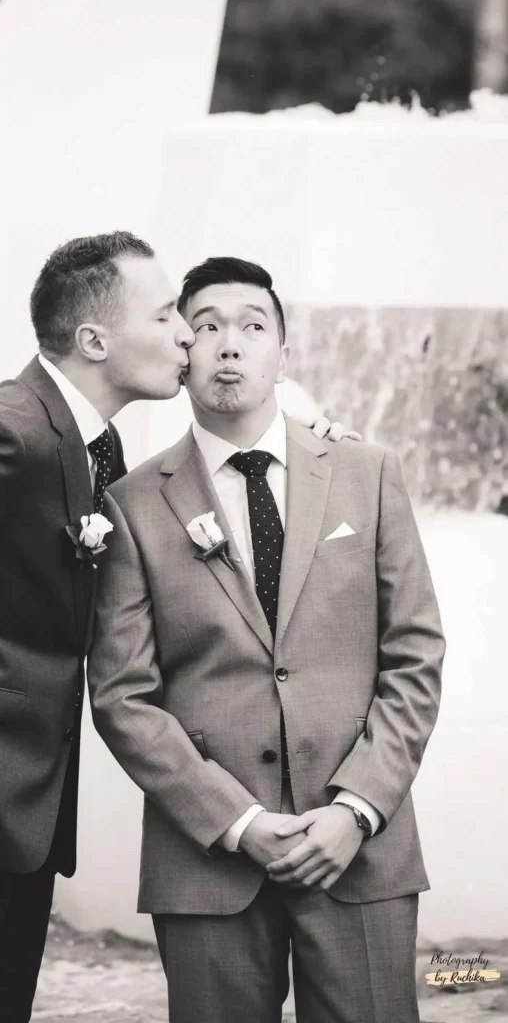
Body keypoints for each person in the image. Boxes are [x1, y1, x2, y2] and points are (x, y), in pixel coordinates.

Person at [0, 235, 346, 1023]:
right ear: (96, 340)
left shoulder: (86, 441)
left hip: (15, 807)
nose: (188, 335)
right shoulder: (11, 432)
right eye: (169, 314)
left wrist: (311, 448)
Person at [88, 256, 445, 1023]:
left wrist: (356, 810)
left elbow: (416, 658)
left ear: (285, 351)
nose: (229, 344)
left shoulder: (368, 473)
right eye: (207, 326)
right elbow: (123, 697)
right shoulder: (131, 504)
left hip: (362, 851)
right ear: (181, 352)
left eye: (253, 326)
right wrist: (238, 821)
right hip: (209, 858)